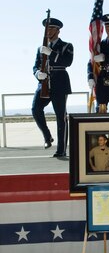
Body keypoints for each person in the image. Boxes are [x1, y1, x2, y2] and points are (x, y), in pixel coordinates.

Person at [32, 17, 73, 158]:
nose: (48, 31)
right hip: (44, 84)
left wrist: (51, 53)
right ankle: (47, 136)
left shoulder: (67, 46)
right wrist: (38, 74)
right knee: (36, 109)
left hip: (60, 84)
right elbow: (35, 66)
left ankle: (61, 149)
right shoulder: (40, 48)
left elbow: (67, 62)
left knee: (60, 116)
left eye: (51, 28)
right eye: (47, 28)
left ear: (58, 30)